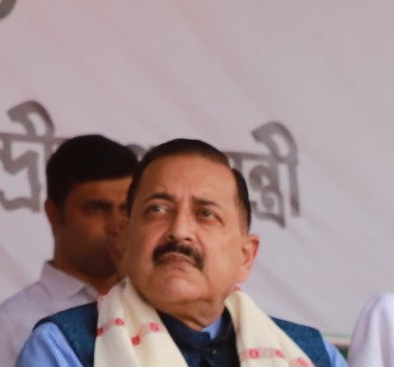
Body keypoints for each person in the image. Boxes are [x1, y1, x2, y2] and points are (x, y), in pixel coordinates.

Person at [17, 139, 345, 367]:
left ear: (245, 257)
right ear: (126, 238)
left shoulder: (312, 354)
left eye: (206, 214)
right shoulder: (65, 348)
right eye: (158, 209)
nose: (179, 231)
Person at [0, 134, 139, 367]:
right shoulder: (10, 324)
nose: (116, 225)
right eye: (97, 208)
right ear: (54, 213)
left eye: (125, 209)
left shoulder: (153, 307)